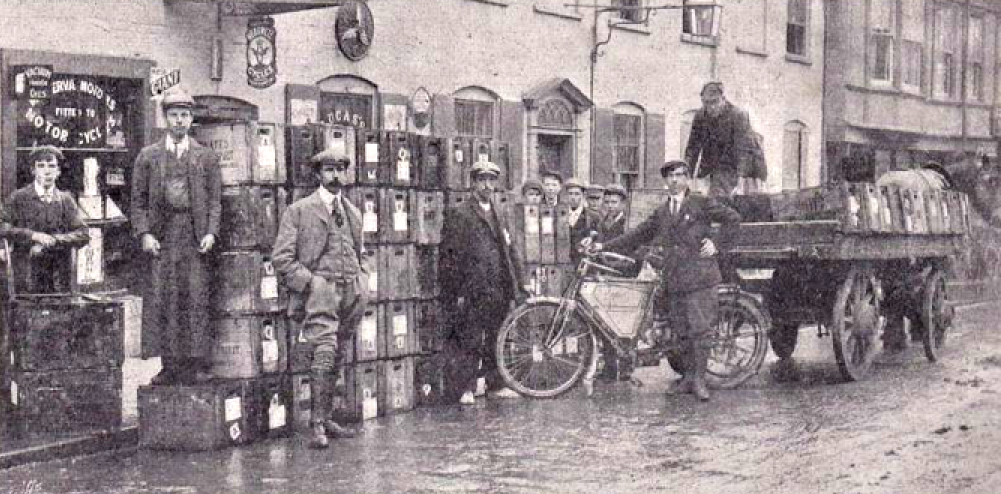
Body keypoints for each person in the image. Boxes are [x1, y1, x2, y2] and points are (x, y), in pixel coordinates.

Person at [590, 160, 740, 401]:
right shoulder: (662, 211)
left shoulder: (701, 202)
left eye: (680, 175)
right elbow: (636, 235)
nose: (675, 180)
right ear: (665, 181)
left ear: (687, 179)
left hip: (700, 277)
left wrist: (717, 244)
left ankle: (700, 381)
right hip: (675, 278)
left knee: (700, 330)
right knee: (681, 331)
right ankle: (688, 378)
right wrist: (603, 246)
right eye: (670, 176)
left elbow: (732, 218)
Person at [272, 150, 365, 448]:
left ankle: (327, 416)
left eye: (340, 169)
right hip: (321, 291)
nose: (335, 175)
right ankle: (316, 425)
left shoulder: (352, 212)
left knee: (339, 352)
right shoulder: (299, 211)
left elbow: (360, 251)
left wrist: (362, 279)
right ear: (318, 174)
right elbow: (281, 258)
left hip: (351, 291)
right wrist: (311, 283)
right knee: (324, 350)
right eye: (329, 169)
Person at [131, 87, 221, 386]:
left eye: (184, 115)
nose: (180, 120)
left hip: (194, 237)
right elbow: (138, 201)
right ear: (165, 118)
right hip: (163, 236)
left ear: (191, 119)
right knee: (165, 299)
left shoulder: (205, 157)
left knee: (194, 298)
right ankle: (169, 366)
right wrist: (145, 233)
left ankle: (195, 365)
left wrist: (211, 231)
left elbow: (215, 200)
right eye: (174, 115)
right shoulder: (148, 156)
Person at [439, 161, 528, 405]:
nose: (487, 186)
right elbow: (449, 256)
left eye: (491, 180)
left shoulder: (500, 212)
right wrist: (454, 291)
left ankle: (495, 384)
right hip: (472, 288)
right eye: (482, 180)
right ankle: (465, 388)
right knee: (470, 338)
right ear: (473, 183)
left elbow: (511, 249)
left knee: (496, 337)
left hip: (498, 285)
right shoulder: (460, 213)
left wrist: (521, 281)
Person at [0, 146, 90, 294]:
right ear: (33, 170)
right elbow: (3, 226)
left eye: (52, 166)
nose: (47, 171)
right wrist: (32, 235)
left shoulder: (65, 200)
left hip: (59, 280)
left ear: (58, 171)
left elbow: (83, 232)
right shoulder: (18, 197)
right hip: (25, 278)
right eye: (41, 166)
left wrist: (54, 240)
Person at [684, 81, 754, 198]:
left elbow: (744, 151)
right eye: (706, 103)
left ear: (723, 99)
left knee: (722, 202)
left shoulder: (738, 116)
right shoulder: (700, 116)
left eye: (715, 102)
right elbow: (692, 148)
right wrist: (686, 176)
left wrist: (741, 182)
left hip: (732, 170)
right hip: (707, 170)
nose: (711, 107)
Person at [563, 178, 601, 266]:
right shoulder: (559, 214)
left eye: (577, 194)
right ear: (566, 195)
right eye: (570, 194)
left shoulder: (593, 216)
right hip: (563, 261)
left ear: (583, 195)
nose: (573, 197)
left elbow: (598, 239)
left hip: (584, 262)